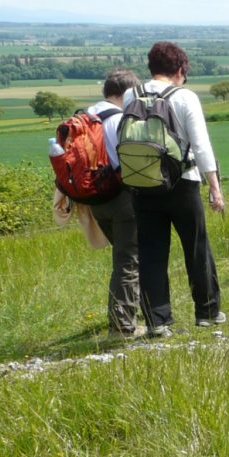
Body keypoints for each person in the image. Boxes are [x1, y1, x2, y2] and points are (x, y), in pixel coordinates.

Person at [123, 42, 224, 337]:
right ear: (180, 69)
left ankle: (157, 321)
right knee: (196, 248)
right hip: (183, 182)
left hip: (142, 183)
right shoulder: (185, 97)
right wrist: (215, 187)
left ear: (150, 66)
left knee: (152, 253)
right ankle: (207, 312)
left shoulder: (132, 93)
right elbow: (201, 145)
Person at [52, 69, 145, 338]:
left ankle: (132, 313)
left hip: (92, 200)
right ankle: (122, 327)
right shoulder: (119, 120)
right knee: (128, 262)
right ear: (125, 94)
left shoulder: (83, 117)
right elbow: (129, 163)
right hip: (121, 198)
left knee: (125, 259)